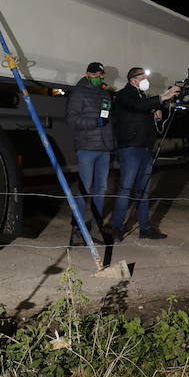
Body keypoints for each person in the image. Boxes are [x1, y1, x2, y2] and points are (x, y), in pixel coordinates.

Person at [111, 66, 181, 241]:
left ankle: (145, 228)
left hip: (145, 149)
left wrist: (157, 114)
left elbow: (143, 108)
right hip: (130, 148)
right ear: (133, 79)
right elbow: (136, 106)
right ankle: (117, 227)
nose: (145, 80)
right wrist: (162, 97)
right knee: (126, 189)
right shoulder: (124, 95)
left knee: (144, 190)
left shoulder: (144, 97)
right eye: (142, 77)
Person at [65, 62, 115, 246]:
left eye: (101, 75)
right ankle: (76, 231)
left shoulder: (105, 94)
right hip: (86, 147)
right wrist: (94, 122)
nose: (99, 77)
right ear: (87, 74)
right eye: (95, 74)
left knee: (101, 189)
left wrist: (112, 144)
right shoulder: (79, 92)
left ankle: (96, 228)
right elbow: (72, 119)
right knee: (84, 190)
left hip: (104, 149)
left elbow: (109, 120)